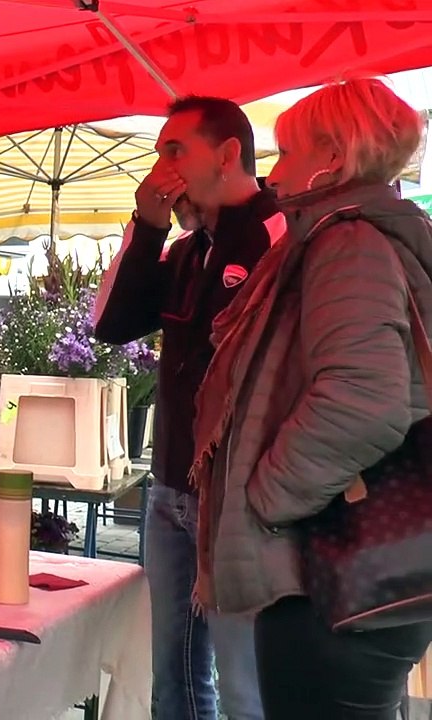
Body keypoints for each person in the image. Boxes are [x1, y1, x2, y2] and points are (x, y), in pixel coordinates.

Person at [190, 77, 432, 719]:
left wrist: (267, 496)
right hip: (352, 561)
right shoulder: (350, 236)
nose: (273, 172)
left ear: (332, 155)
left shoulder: (346, 244)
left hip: (335, 566)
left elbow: (365, 399)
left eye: (287, 151)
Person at [93, 96, 278, 720]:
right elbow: (111, 323)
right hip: (171, 486)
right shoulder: (186, 250)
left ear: (227, 155)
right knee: (170, 675)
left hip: (237, 497)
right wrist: (147, 227)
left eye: (176, 150)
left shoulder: (277, 234)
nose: (160, 167)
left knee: (243, 684)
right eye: (159, 151)